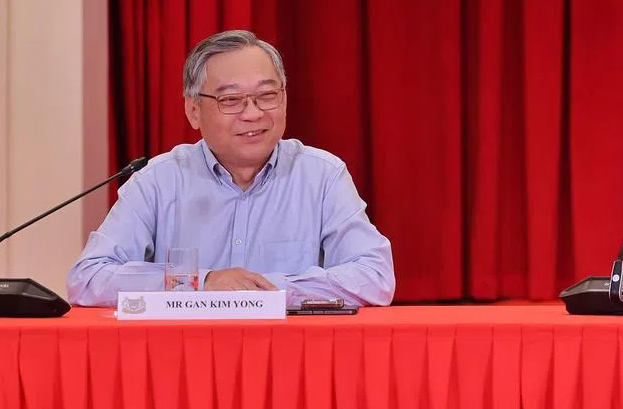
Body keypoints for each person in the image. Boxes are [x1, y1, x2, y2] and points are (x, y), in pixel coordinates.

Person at [67, 30, 396, 307]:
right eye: (230, 100)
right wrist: (203, 284)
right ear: (194, 111)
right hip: (182, 360)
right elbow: (88, 279)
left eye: (267, 95)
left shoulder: (321, 175)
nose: (253, 114)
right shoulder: (158, 181)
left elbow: (375, 276)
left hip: (290, 359)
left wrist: (262, 290)